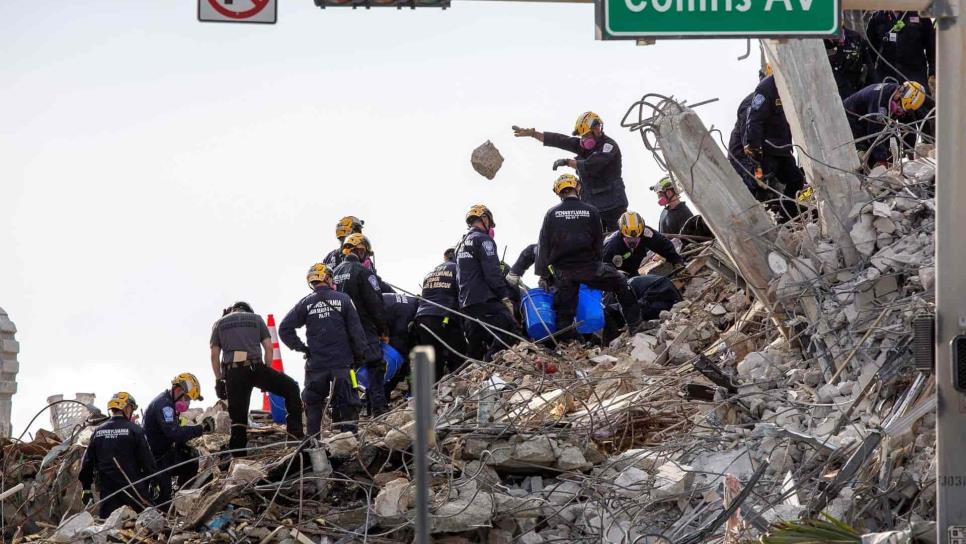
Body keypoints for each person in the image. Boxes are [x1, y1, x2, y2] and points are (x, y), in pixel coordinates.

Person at [535, 174, 642, 339]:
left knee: (564, 313)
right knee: (621, 283)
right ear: (577, 187)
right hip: (589, 267)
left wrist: (544, 275)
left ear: (558, 192)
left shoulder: (551, 214)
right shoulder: (591, 211)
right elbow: (598, 243)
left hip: (563, 272)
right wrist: (597, 268)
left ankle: (565, 348)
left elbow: (543, 246)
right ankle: (635, 326)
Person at [280, 264, 370, 436]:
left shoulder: (305, 303)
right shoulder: (344, 299)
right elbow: (357, 332)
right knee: (349, 402)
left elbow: (284, 328)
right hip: (343, 364)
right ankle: (349, 439)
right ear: (327, 278)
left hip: (316, 365)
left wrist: (302, 348)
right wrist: (360, 356)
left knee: (313, 404)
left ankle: (313, 443)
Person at [210, 301, 303, 456]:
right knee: (291, 388)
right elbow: (268, 347)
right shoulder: (256, 318)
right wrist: (266, 373)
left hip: (234, 372)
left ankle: (238, 458)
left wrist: (219, 380)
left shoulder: (219, 323)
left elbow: (214, 356)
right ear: (248, 310)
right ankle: (295, 437)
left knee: (238, 419)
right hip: (256, 367)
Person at [513, 112, 628, 232]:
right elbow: (561, 141)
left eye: (586, 135)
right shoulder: (584, 147)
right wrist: (533, 134)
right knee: (593, 243)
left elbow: (591, 165)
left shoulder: (609, 146)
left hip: (614, 205)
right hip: (592, 206)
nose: (584, 139)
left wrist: (567, 162)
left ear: (597, 128)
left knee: (617, 239)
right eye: (582, 136)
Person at [332, 233, 391, 416]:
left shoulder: (334, 274)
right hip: (364, 327)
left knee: (345, 371)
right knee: (375, 366)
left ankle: (339, 413)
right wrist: (383, 329)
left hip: (341, 331)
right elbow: (375, 303)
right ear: (361, 249)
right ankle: (378, 409)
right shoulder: (364, 272)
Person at [79, 393, 157, 518]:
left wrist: (86, 488)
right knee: (146, 524)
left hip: (108, 492)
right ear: (126, 408)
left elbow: (87, 463)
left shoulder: (98, 432)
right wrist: (154, 480)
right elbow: (147, 460)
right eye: (131, 408)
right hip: (134, 488)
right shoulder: (135, 430)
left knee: (107, 529)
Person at [456, 204, 519, 361]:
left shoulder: (460, 245)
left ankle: (477, 376)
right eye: (489, 222)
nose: (490, 227)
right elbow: (492, 272)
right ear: (484, 218)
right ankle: (491, 363)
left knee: (476, 342)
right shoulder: (484, 240)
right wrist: (504, 296)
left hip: (467, 302)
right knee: (511, 329)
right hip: (484, 298)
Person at [743, 75, 806, 221]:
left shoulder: (793, 83)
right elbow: (754, 120)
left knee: (796, 180)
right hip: (766, 149)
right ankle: (759, 220)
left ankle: (785, 220)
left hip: (783, 148)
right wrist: (754, 150)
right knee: (764, 187)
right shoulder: (767, 88)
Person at [143, 373, 212, 506]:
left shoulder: (169, 403)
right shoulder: (164, 405)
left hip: (165, 453)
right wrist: (200, 428)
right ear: (178, 390)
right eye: (186, 398)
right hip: (156, 460)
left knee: (190, 459)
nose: (187, 403)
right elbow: (173, 433)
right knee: (163, 502)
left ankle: (182, 496)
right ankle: (167, 503)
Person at [843, 81, 926, 169]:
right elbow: (874, 133)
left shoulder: (898, 95)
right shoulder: (879, 100)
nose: (900, 112)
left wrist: (911, 154)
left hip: (869, 120)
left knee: (891, 148)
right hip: (850, 120)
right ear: (899, 95)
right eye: (900, 107)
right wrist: (881, 161)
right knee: (869, 156)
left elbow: (908, 127)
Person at [414, 248, 468, 379]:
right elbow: (463, 293)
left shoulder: (430, 273)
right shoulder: (457, 269)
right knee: (459, 354)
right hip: (444, 316)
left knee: (434, 358)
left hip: (422, 318)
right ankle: (459, 385)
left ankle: (435, 392)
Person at [866, 11, 935, 90]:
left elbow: (932, 47)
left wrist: (932, 73)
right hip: (886, 77)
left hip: (914, 77)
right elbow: (870, 52)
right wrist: (871, 78)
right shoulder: (877, 18)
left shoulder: (921, 16)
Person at [602, 211, 683, 278]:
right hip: (619, 275)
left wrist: (676, 261)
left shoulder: (645, 233)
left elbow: (663, 244)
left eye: (637, 237)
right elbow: (604, 273)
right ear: (622, 234)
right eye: (629, 238)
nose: (633, 241)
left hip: (633, 269)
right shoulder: (611, 247)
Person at [649, 177, 713, 247]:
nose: (659, 198)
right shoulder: (663, 213)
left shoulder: (684, 212)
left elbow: (686, 240)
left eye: (661, 195)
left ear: (669, 192)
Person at [381, 292, 418, 394]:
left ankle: (385, 392)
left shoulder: (407, 307)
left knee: (401, 360)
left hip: (397, 324)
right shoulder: (411, 305)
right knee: (401, 359)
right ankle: (386, 391)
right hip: (398, 324)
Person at [824, 26, 873, 99]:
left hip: (855, 85)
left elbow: (870, 66)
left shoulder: (855, 38)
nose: (841, 41)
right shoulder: (821, 44)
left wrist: (876, 86)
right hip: (833, 88)